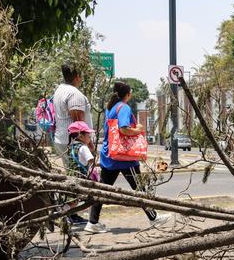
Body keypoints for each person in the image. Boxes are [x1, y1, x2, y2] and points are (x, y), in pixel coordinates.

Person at [85, 82, 169, 233]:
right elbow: (124, 129)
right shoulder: (124, 107)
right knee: (140, 189)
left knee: (102, 189)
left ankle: (92, 222)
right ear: (128, 94)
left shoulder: (110, 108)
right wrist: (138, 129)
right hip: (125, 157)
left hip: (110, 155)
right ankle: (154, 218)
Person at [52, 64, 92, 224]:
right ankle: (66, 212)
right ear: (76, 76)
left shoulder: (60, 90)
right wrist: (88, 144)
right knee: (77, 179)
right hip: (74, 143)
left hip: (63, 139)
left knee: (73, 178)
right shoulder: (74, 94)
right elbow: (78, 123)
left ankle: (69, 212)